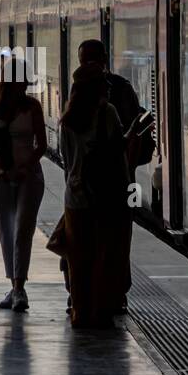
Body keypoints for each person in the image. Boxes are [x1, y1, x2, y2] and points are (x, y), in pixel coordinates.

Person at [77, 39, 149, 313]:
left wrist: (126, 174)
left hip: (116, 182)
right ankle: (106, 291)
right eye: (85, 60)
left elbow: (133, 138)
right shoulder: (90, 92)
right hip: (97, 183)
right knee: (111, 238)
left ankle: (111, 291)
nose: (89, 65)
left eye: (92, 59)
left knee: (116, 238)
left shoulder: (117, 91)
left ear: (104, 60)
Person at [60, 63, 129, 328]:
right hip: (105, 197)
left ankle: (79, 310)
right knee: (103, 254)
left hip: (75, 196)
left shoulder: (67, 120)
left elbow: (67, 162)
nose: (108, 87)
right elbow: (116, 156)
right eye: (103, 82)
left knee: (78, 258)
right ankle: (100, 310)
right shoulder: (107, 113)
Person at [0, 61, 47, 312]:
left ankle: (19, 288)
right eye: (19, 81)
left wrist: (24, 167)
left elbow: (41, 144)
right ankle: (14, 284)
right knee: (6, 231)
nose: (22, 86)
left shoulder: (33, 107)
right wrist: (1, 170)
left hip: (29, 176)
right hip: (0, 178)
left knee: (23, 231)